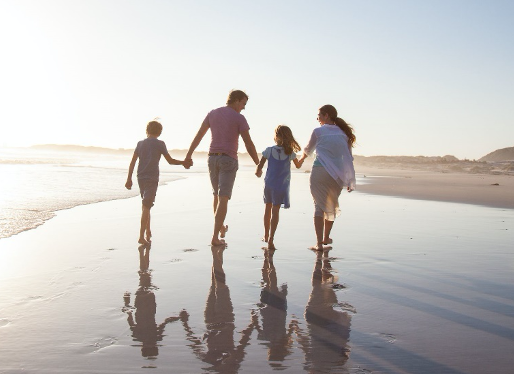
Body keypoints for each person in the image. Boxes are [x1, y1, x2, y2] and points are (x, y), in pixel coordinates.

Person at [185, 90, 260, 246]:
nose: (244, 107)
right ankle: (214, 237)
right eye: (243, 103)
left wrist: (189, 155)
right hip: (228, 159)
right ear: (237, 101)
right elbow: (248, 143)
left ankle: (219, 229)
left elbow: (199, 134)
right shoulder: (239, 118)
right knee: (223, 198)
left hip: (212, 158)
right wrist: (258, 164)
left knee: (217, 196)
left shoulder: (213, 113)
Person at [298, 105, 356, 251]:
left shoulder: (318, 132)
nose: (317, 118)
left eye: (319, 115)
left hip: (320, 172)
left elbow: (308, 149)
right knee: (330, 205)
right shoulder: (344, 134)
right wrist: (349, 179)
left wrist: (301, 160)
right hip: (337, 175)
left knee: (318, 206)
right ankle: (325, 238)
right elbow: (348, 157)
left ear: (326, 115)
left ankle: (318, 243)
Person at [125, 120, 191, 245]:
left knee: (146, 205)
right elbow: (170, 161)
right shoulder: (160, 144)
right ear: (159, 132)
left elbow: (133, 162)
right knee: (146, 206)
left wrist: (129, 178)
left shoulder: (140, 144)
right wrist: (183, 163)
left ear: (147, 130)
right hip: (152, 178)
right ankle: (141, 237)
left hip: (140, 177)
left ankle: (148, 231)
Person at [255, 125, 302, 250]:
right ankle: (271, 239)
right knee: (276, 211)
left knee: (267, 208)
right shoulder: (290, 153)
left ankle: (265, 235)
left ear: (276, 137)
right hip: (282, 186)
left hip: (269, 184)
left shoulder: (269, 150)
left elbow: (260, 166)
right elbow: (298, 166)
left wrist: (258, 172)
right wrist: (304, 157)